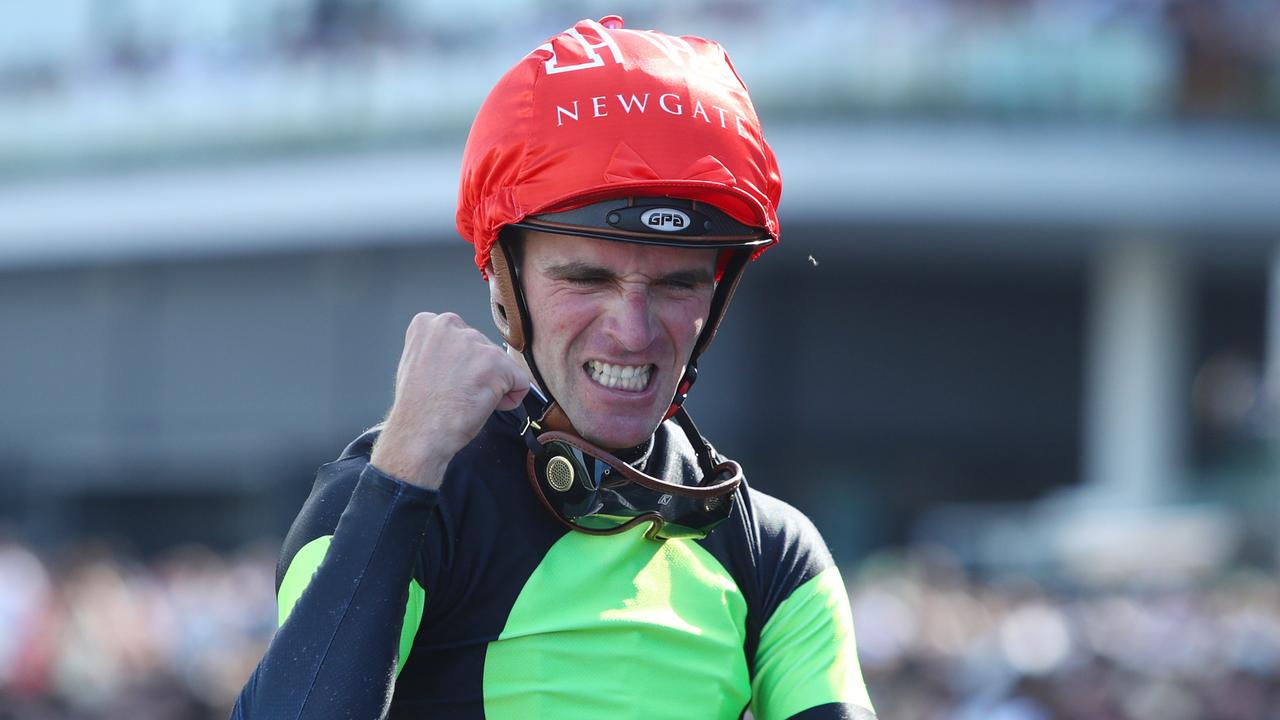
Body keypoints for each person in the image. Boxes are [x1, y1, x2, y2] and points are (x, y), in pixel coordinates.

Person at [233, 16, 876, 720]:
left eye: (677, 284)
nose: (632, 332)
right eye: (587, 278)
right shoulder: (387, 504)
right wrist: (407, 461)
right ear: (504, 283)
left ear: (718, 297)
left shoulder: (775, 553)